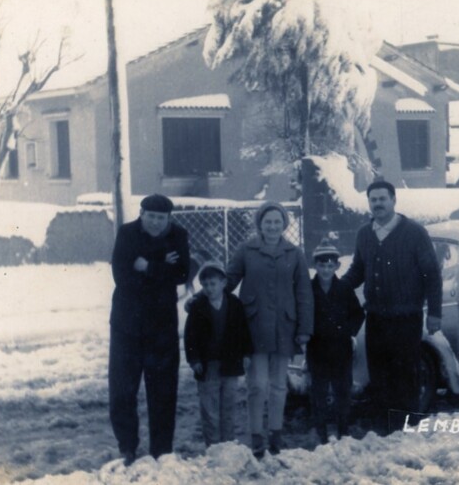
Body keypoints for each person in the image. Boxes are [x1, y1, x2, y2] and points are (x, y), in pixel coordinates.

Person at [342, 180, 442, 433]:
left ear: (394, 200)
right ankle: (385, 429)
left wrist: (435, 313)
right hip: (376, 317)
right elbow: (358, 270)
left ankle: (408, 427)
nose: (378, 204)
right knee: (379, 375)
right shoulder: (365, 234)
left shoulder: (415, 233)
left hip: (406, 318)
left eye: (382, 199)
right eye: (373, 200)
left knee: (405, 375)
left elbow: (432, 274)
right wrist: (335, 288)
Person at [226, 201, 313, 458]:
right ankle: (256, 437)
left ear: (284, 224)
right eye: (268, 222)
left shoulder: (294, 253)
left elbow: (304, 293)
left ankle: (276, 435)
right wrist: (204, 297)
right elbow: (228, 280)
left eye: (277, 222)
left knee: (278, 385)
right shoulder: (246, 250)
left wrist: (304, 328)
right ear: (260, 224)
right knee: (257, 385)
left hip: (284, 327)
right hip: (254, 328)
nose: (273, 226)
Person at [108, 194, 189, 465]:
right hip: (126, 325)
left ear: (169, 218)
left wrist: (147, 266)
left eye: (161, 218)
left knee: (163, 390)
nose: (155, 222)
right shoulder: (126, 233)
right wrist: (162, 267)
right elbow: (121, 276)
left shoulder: (178, 235)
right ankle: (127, 447)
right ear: (142, 214)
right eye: (151, 216)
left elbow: (182, 274)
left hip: (162, 327)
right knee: (122, 389)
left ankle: (161, 450)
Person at [183, 261, 252, 448]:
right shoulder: (198, 307)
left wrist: (246, 353)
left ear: (223, 283)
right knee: (210, 410)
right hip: (207, 366)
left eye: (213, 284)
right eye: (205, 285)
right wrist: (194, 359)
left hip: (230, 363)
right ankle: (213, 446)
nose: (209, 288)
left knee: (228, 407)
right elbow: (190, 336)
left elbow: (243, 331)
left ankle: (227, 446)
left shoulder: (234, 304)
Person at [308, 239, 364, 444]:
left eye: (330, 265)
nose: (326, 270)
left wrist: (347, 331)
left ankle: (343, 431)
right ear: (315, 266)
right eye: (322, 265)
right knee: (319, 391)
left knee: (342, 390)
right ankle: (321, 432)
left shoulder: (344, 289)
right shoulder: (308, 289)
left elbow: (358, 314)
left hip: (341, 348)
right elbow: (301, 314)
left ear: (337, 266)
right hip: (317, 348)